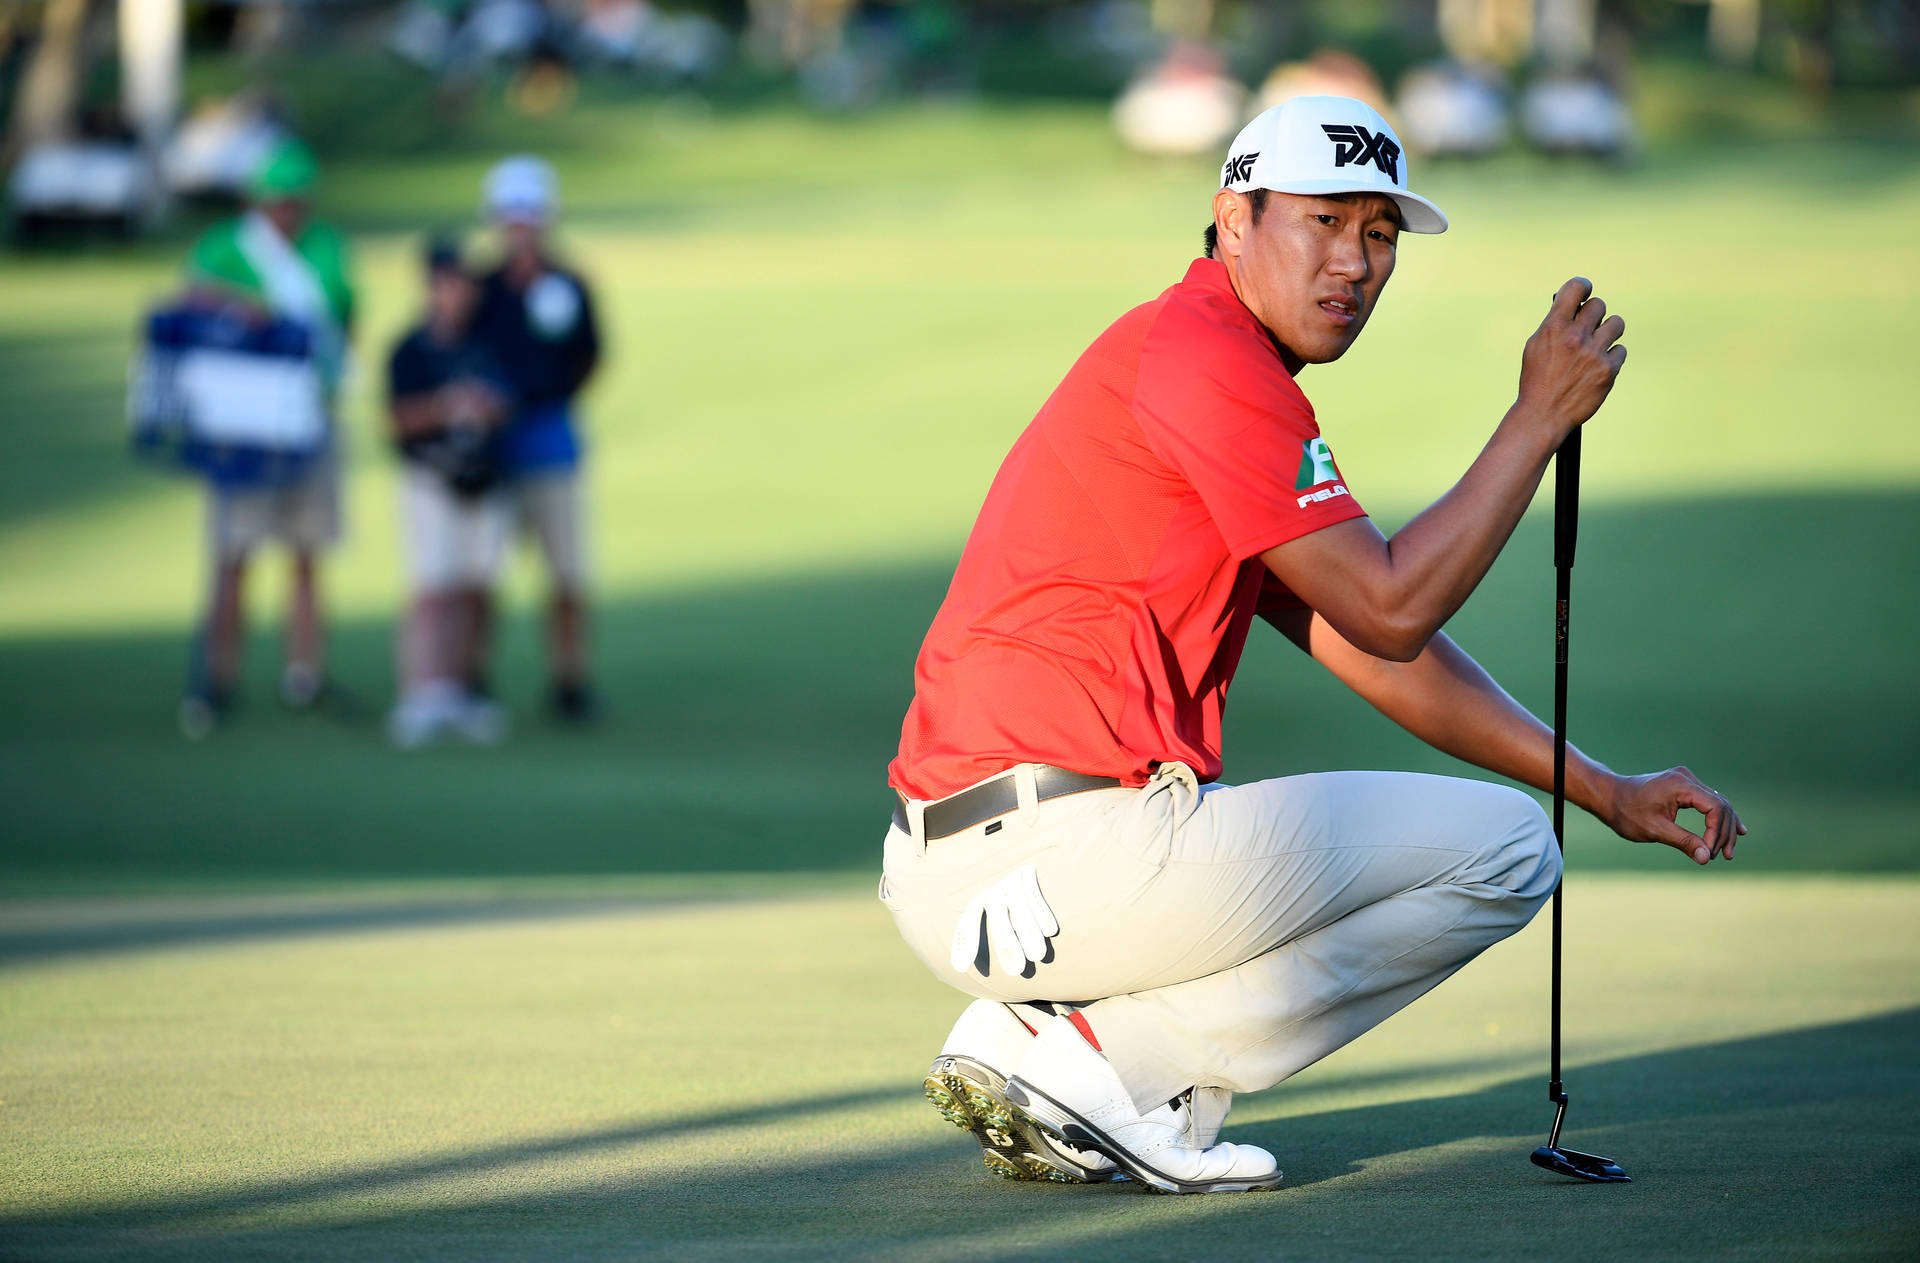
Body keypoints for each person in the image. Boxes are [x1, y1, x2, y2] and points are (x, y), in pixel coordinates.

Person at [881, 96, 1747, 1194]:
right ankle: (1114, 1063)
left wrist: (1600, 787)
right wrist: (1535, 421)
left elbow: (1367, 643)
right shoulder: (1209, 360)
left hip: (976, 864)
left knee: (1517, 831)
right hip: (1059, 857)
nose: (1356, 262)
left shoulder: (1196, 352)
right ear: (1233, 221)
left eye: (1379, 234)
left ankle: (1083, 1053)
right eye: (1323, 221)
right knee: (1507, 852)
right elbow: (1391, 609)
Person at [178, 136, 356, 738]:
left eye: (298, 200)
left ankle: (305, 672)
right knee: (233, 553)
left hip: (310, 412)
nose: (290, 212)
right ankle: (216, 677)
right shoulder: (225, 248)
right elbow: (190, 304)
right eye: (279, 201)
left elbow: (344, 314)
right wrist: (246, 306)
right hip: (244, 427)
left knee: (307, 551)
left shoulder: (326, 246)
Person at [471, 155, 603, 722]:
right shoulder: (479, 288)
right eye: (511, 219)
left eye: (529, 218)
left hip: (552, 442)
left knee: (567, 575)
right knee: (481, 576)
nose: (520, 229)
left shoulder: (569, 283)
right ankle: (471, 680)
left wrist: (550, 395)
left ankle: (570, 682)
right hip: (492, 453)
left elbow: (592, 355)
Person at [385, 238, 515, 748]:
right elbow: (396, 420)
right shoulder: (410, 349)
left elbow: (510, 401)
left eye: (464, 285)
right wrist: (446, 406)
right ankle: (421, 690)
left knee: (476, 587)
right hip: (430, 479)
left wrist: (488, 407)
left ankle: (463, 688)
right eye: (448, 284)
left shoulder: (486, 344)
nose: (457, 294)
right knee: (431, 587)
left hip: (484, 480)